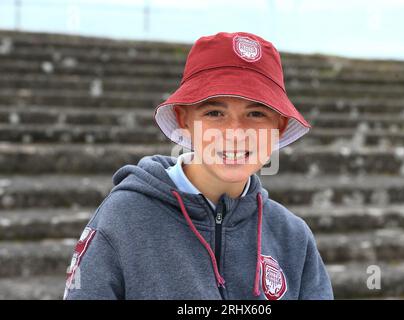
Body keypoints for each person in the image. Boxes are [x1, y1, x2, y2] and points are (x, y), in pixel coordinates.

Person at [63, 31, 333, 300]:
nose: (235, 132)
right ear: (184, 119)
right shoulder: (124, 217)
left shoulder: (293, 237)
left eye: (256, 113)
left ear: (279, 126)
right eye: (214, 113)